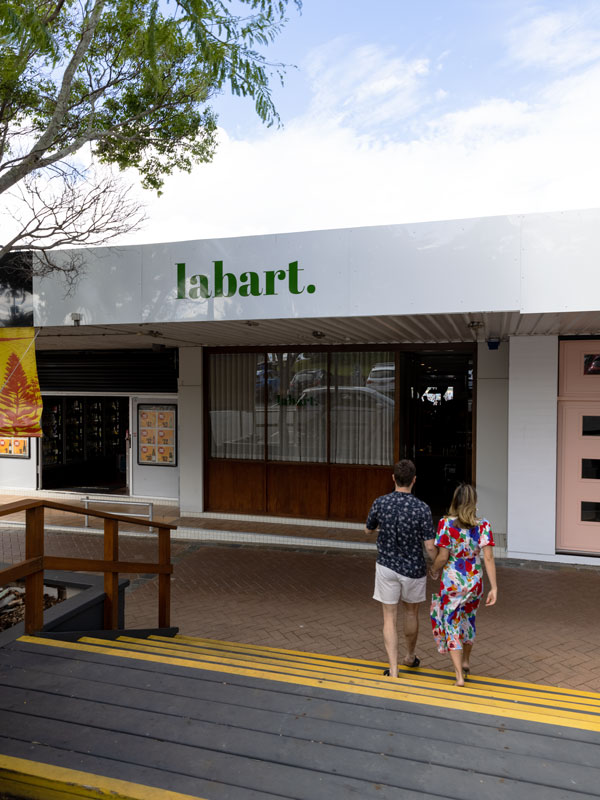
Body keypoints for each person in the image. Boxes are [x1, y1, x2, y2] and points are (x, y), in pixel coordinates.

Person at [365, 459, 437, 679]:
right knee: (411, 612)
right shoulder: (422, 508)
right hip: (413, 568)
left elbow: (368, 531)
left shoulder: (381, 503)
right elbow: (430, 546)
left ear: (393, 478)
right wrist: (435, 566)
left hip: (386, 566)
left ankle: (394, 669)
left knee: (389, 616)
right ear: (414, 480)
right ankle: (410, 655)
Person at [429, 483, 498, 687]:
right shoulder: (483, 525)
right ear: (474, 501)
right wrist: (494, 587)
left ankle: (459, 675)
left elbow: (442, 556)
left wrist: (433, 569)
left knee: (451, 624)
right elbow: (489, 557)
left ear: (455, 500)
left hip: (452, 583)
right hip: (475, 582)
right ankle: (466, 661)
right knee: (469, 620)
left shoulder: (446, 524)